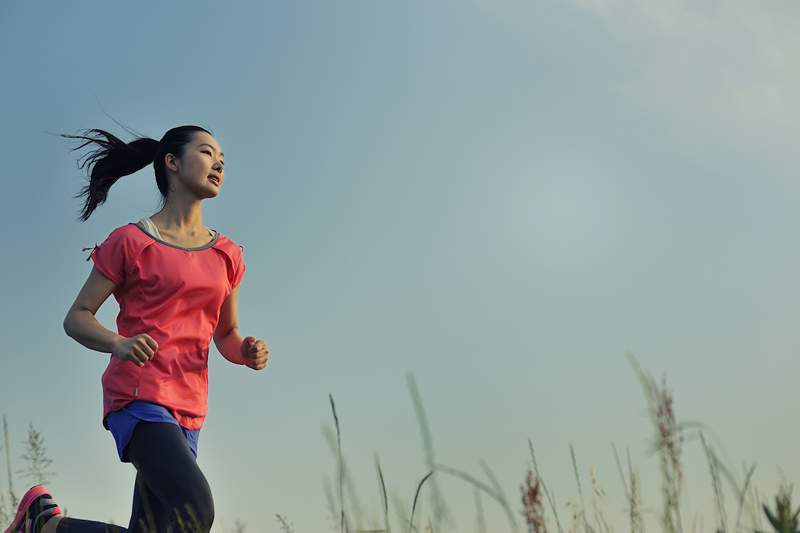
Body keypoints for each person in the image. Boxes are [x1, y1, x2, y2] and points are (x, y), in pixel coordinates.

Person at [4, 125, 270, 533]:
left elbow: (226, 335)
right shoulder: (131, 241)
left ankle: (45, 525)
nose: (217, 163)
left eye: (222, 159)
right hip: (138, 395)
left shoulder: (227, 255)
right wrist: (119, 342)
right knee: (194, 508)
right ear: (172, 162)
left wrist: (246, 350)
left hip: (190, 409)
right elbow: (77, 316)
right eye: (205, 152)